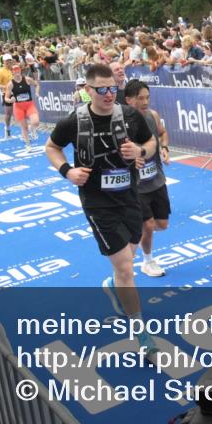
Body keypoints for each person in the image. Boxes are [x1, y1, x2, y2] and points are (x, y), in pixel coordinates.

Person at [45, 64, 159, 354]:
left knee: (126, 264)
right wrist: (67, 171)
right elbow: (51, 147)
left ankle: (113, 283)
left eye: (113, 89)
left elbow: (150, 142)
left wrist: (141, 152)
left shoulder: (130, 115)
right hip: (97, 203)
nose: (109, 95)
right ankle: (141, 333)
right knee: (126, 269)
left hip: (130, 197)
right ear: (88, 90)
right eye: (102, 90)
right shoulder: (74, 121)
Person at [123, 79, 171, 277]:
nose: (145, 102)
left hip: (157, 180)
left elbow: (163, 133)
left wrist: (165, 148)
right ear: (128, 100)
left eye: (147, 98)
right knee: (148, 225)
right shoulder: (121, 123)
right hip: (137, 186)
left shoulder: (153, 115)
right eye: (140, 98)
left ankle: (134, 233)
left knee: (161, 224)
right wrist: (130, 161)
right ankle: (147, 260)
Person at [4, 63, 41, 151]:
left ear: (20, 70)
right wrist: (10, 100)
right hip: (18, 107)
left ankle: (32, 129)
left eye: (18, 69)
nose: (17, 71)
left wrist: (36, 92)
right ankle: (28, 145)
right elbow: (6, 98)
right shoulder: (10, 84)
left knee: (35, 122)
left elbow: (37, 84)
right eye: (14, 70)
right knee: (24, 127)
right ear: (12, 72)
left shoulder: (27, 79)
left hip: (29, 104)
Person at [0, 54, 16, 138]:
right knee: (8, 113)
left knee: (22, 111)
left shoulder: (14, 69)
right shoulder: (0, 72)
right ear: (3, 62)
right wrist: (6, 87)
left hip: (17, 93)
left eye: (9, 60)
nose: (8, 62)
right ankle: (7, 129)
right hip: (7, 94)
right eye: (6, 61)